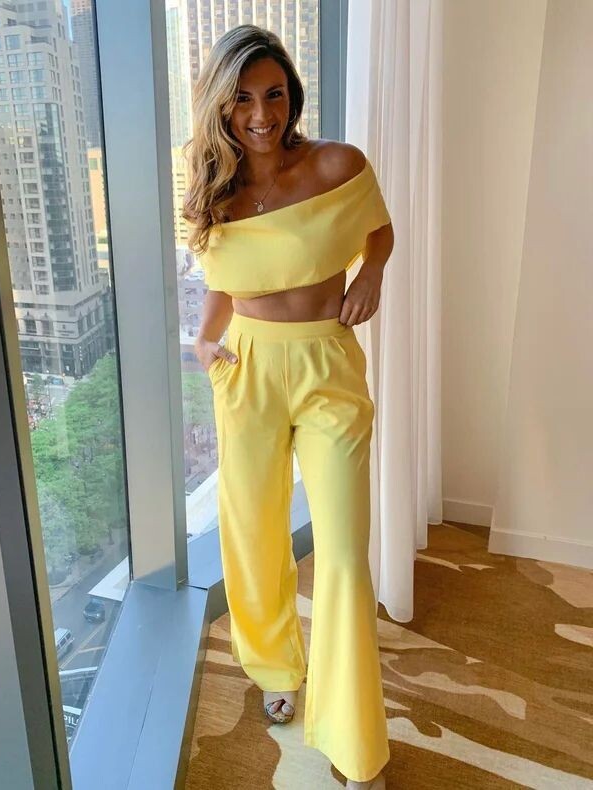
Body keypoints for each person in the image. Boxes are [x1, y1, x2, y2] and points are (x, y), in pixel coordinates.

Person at [183, 24, 394, 790]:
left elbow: (379, 231)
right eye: (242, 98)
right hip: (247, 369)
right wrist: (203, 344)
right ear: (221, 105)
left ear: (292, 95)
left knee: (341, 554)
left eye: (273, 94)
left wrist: (371, 273)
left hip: (326, 364)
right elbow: (223, 284)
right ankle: (277, 666)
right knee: (253, 529)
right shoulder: (212, 189)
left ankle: (354, 743)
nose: (261, 114)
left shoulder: (338, 165)